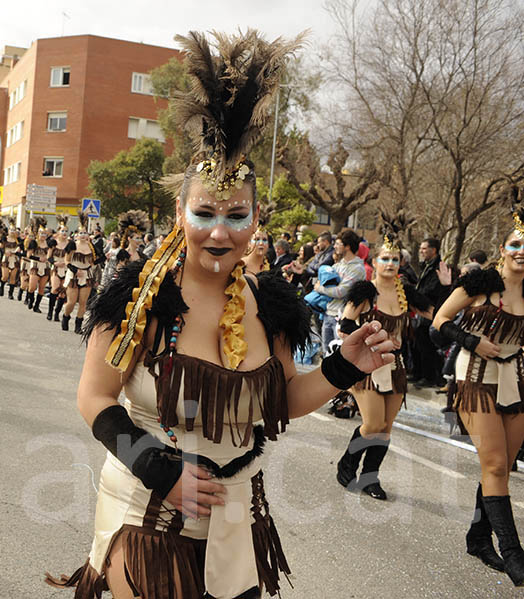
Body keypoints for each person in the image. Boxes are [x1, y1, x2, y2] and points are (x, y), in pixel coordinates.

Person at [47, 29, 395, 599]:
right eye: (204, 211)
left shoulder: (273, 304)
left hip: (237, 522)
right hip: (146, 515)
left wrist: (343, 367)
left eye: (236, 215)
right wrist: (161, 470)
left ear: (256, 219)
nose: (219, 231)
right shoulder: (137, 297)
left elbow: (282, 398)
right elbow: (94, 397)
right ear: (179, 212)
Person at [432, 207, 524, 585]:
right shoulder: (479, 284)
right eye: (516, 244)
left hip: (514, 382)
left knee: (503, 463)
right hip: (473, 379)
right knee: (497, 464)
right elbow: (438, 323)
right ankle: (514, 556)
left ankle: (477, 537)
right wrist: (472, 340)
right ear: (502, 248)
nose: (522, 252)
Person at [335, 217, 432, 500]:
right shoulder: (366, 292)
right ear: (374, 262)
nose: (390, 263)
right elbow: (344, 326)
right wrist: (369, 340)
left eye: (395, 259)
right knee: (373, 424)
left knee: (386, 428)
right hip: (366, 367)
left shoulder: (406, 294)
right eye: (385, 258)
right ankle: (347, 463)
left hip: (395, 367)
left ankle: (369, 478)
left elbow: (438, 314)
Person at [315, 229, 366, 351]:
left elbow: (340, 292)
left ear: (347, 246)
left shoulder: (358, 268)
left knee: (339, 355)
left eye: (338, 244)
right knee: (326, 355)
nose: (335, 247)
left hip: (343, 317)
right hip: (328, 314)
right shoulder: (337, 265)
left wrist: (320, 288)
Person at [411, 238, 452, 387]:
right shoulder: (425, 266)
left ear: (433, 250)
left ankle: (430, 377)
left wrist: (418, 296)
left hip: (431, 312)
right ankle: (419, 373)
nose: (421, 251)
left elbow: (433, 289)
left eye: (424, 248)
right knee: (419, 346)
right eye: (420, 248)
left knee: (428, 347)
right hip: (420, 312)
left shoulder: (439, 267)